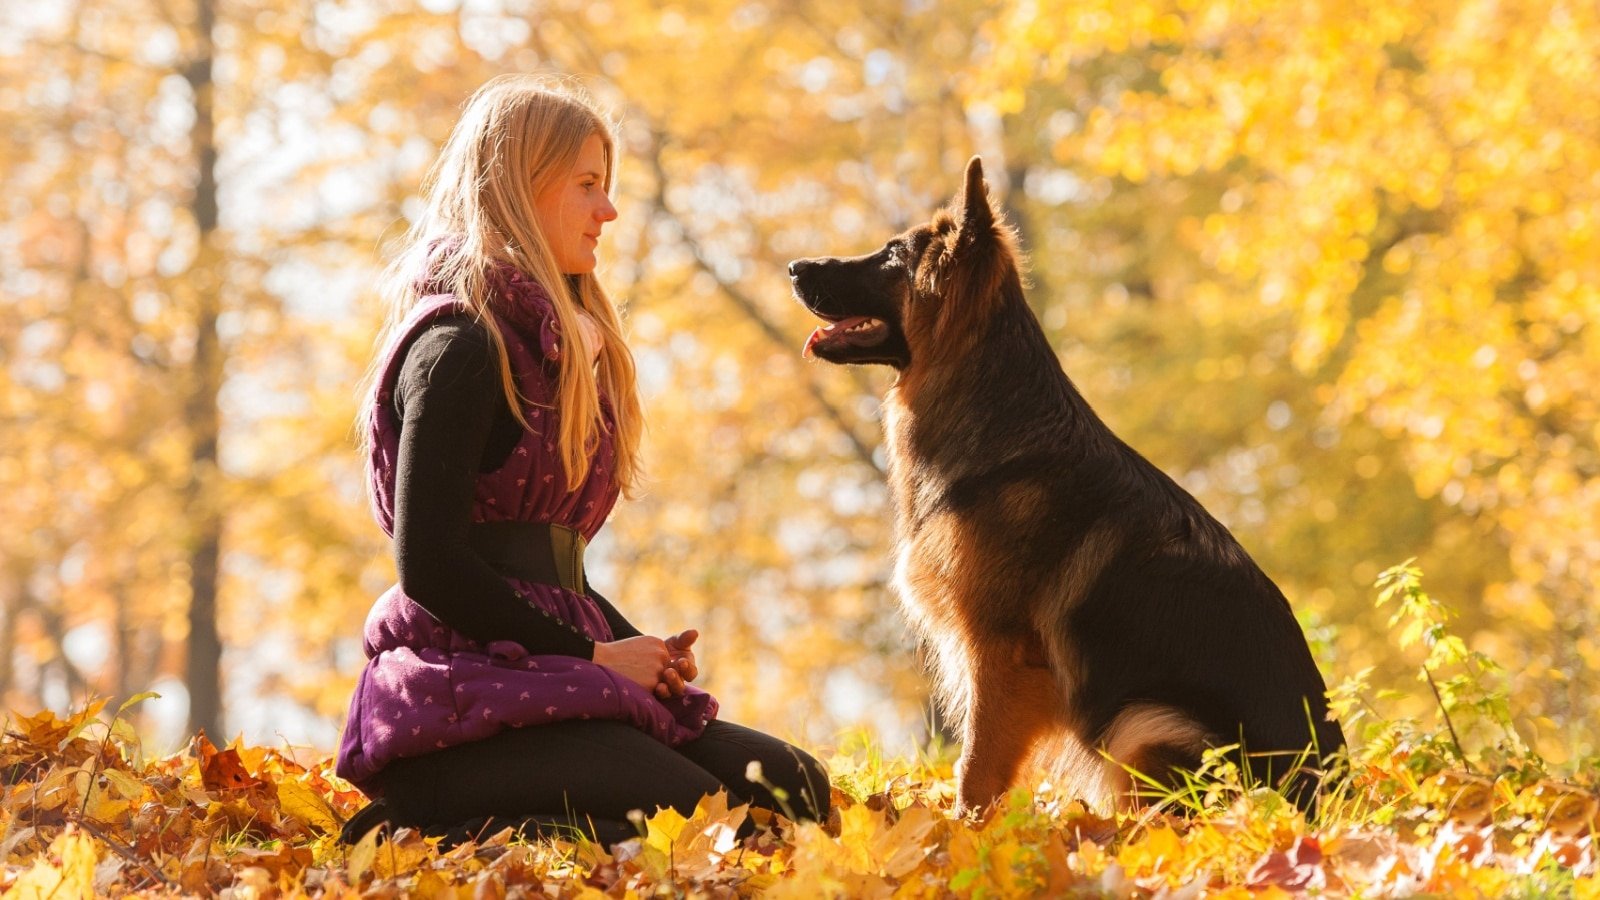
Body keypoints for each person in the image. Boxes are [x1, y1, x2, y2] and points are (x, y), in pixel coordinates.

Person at [335, 74, 830, 847]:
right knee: (698, 815)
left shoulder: (555, 354)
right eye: (588, 185)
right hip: (453, 705)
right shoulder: (459, 348)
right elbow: (428, 565)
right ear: (519, 188)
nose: (609, 210)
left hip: (546, 672)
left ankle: (573, 818)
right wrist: (599, 655)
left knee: (793, 788)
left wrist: (644, 655)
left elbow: (552, 574)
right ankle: (427, 828)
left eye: (610, 185)